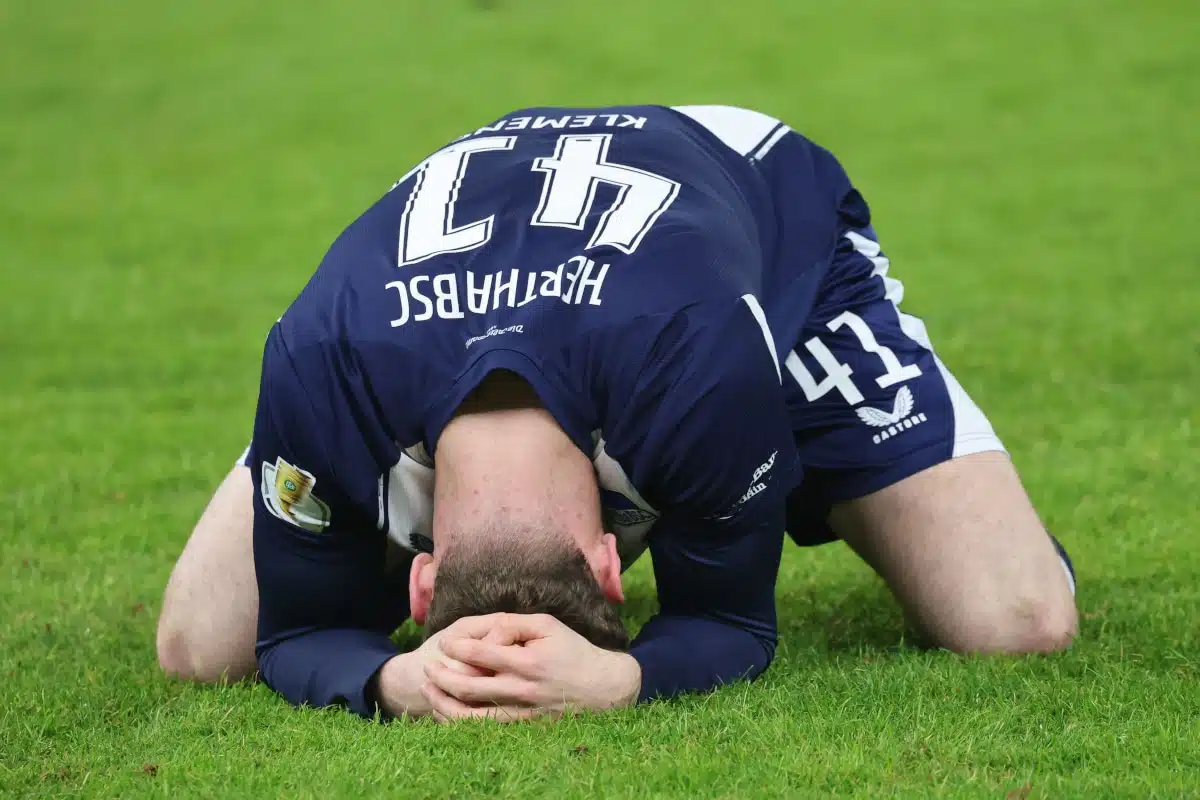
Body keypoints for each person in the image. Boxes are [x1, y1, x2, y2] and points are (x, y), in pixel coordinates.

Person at [156, 105, 1078, 722]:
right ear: (612, 562)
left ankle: (781, 431)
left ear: (421, 583)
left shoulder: (701, 358)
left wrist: (623, 679)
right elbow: (288, 638)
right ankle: (330, 475)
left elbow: (734, 622)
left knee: (1016, 618)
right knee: (200, 646)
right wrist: (394, 679)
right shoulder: (315, 359)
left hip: (757, 215)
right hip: (447, 309)